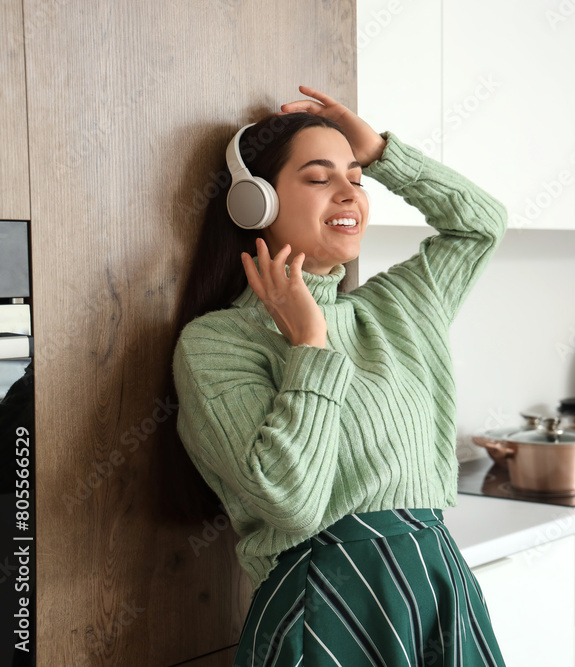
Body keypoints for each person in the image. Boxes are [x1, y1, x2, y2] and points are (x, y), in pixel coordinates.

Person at [170, 86, 508, 666]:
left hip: (435, 584)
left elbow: (481, 226)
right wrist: (309, 344)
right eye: (320, 177)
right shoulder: (216, 344)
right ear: (256, 203)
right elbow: (293, 504)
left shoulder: (399, 308)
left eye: (356, 176)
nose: (352, 192)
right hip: (326, 606)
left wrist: (381, 153)